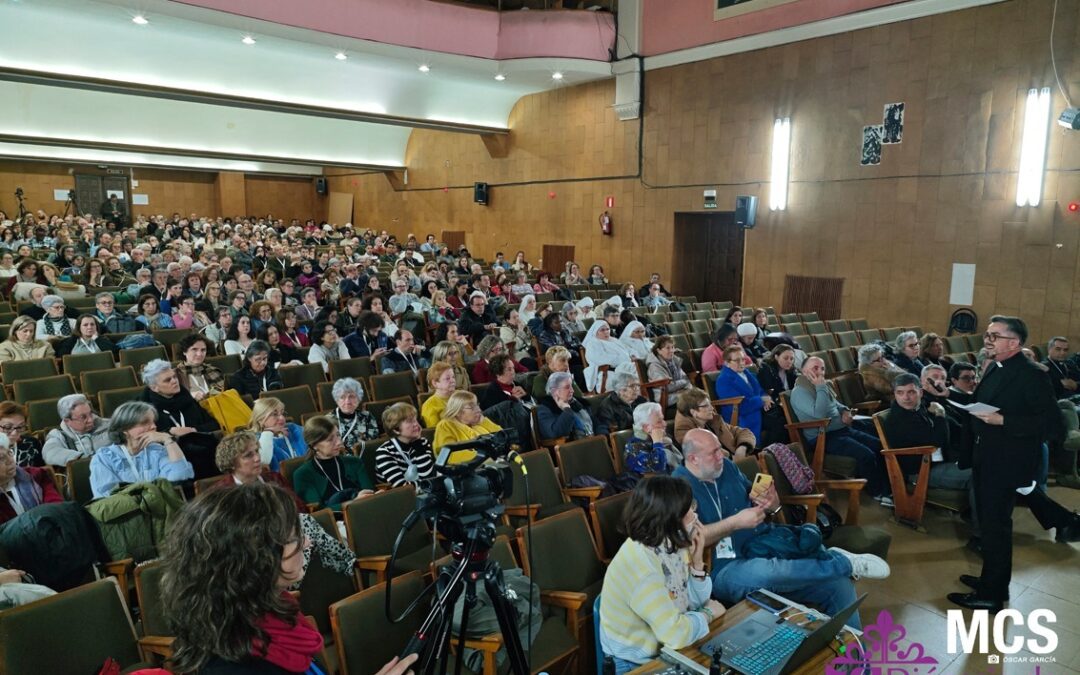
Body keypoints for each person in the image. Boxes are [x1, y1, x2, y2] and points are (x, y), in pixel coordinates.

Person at [160, 482, 419, 674]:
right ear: (256, 559)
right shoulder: (234, 666)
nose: (306, 543)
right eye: (295, 537)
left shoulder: (268, 612)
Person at [673, 429, 889, 630]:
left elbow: (768, 505)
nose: (722, 455)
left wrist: (771, 501)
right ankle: (841, 561)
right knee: (773, 571)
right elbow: (688, 540)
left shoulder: (727, 468)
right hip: (725, 567)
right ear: (693, 459)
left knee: (839, 586)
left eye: (721, 449)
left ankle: (854, 662)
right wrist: (734, 523)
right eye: (714, 453)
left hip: (764, 544)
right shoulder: (678, 487)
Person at [947, 316, 1073, 612]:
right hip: (985, 458)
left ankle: (992, 595)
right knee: (990, 527)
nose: (986, 340)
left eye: (994, 335)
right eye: (987, 334)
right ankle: (991, 581)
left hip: (1005, 463)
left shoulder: (1032, 374)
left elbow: (1054, 426)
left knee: (996, 527)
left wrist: (1005, 420)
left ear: (1013, 343)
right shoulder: (995, 366)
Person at [599, 475, 725, 673]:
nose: (694, 514)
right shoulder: (641, 567)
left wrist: (697, 562)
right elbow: (675, 635)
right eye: (688, 510)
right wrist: (708, 614)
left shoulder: (669, 543)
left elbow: (693, 602)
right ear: (669, 519)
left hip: (669, 648)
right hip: (636, 662)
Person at [790, 356, 891, 503]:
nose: (820, 371)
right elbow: (819, 414)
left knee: (880, 446)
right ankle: (878, 492)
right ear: (804, 371)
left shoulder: (823, 385)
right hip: (824, 437)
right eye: (815, 368)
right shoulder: (800, 391)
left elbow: (836, 404)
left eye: (822, 368)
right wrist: (820, 387)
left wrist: (845, 411)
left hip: (842, 429)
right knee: (866, 454)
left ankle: (889, 487)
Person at [89, 401, 195, 498]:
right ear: (125, 429)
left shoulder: (157, 450)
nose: (153, 427)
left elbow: (181, 476)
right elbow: (106, 497)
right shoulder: (104, 458)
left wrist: (168, 440)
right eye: (145, 422)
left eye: (153, 422)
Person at [138, 359, 222, 479]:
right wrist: (170, 432)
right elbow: (145, 439)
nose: (175, 381)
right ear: (154, 387)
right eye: (168, 380)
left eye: (174, 377)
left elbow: (214, 425)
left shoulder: (187, 399)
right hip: (171, 458)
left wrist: (193, 430)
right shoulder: (145, 411)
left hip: (203, 451)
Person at [292, 416, 375, 512]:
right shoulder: (303, 474)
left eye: (338, 435)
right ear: (314, 445)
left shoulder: (354, 462)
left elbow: (369, 493)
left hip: (366, 512)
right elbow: (319, 511)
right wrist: (353, 503)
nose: (339, 442)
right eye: (330, 439)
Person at [673, 388, 756, 459]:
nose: (712, 408)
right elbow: (711, 451)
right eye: (706, 405)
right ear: (693, 412)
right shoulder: (684, 432)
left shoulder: (712, 420)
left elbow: (744, 432)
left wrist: (742, 448)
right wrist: (732, 458)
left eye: (710, 404)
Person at [713, 345, 772, 442]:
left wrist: (766, 399)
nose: (742, 363)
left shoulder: (748, 374)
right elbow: (740, 406)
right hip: (740, 415)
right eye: (737, 360)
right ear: (727, 363)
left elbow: (760, 391)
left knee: (781, 416)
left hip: (758, 409)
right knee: (777, 422)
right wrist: (761, 400)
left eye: (743, 359)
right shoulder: (724, 380)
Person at [0, 436, 63, 526]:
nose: (10, 461)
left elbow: (56, 508)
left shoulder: (35, 475)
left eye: (9, 453)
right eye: (1, 458)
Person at [375, 403, 437, 488]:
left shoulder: (423, 442)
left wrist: (419, 445)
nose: (416, 424)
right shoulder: (384, 452)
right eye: (410, 421)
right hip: (398, 499)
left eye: (415, 420)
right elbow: (402, 487)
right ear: (396, 429)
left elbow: (429, 477)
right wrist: (427, 485)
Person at [41, 394, 111, 467]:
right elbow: (50, 453)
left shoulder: (109, 426)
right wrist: (83, 459)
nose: (90, 420)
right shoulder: (59, 435)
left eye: (90, 414)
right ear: (67, 421)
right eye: (83, 417)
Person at [433, 391, 503, 464]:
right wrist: (484, 457)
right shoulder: (446, 425)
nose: (479, 410)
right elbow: (448, 455)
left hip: (494, 463)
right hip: (467, 470)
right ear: (458, 411)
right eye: (472, 408)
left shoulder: (479, 422)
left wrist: (485, 422)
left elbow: (503, 437)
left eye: (477, 405)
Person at [250, 397, 307, 473]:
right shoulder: (255, 440)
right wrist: (268, 433)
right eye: (274, 414)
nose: (282, 418)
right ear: (260, 420)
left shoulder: (293, 429)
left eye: (282, 413)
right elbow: (263, 462)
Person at [623, 402, 682, 475]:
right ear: (646, 427)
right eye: (659, 422)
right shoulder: (634, 447)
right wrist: (658, 443)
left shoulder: (664, 439)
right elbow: (658, 468)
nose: (665, 424)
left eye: (663, 419)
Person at [535, 371, 594, 442]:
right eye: (567, 387)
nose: (572, 390)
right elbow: (554, 433)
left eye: (571, 386)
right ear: (554, 391)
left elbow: (596, 422)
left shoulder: (578, 403)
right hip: (573, 448)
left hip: (595, 442)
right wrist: (567, 410)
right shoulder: (545, 409)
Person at [329, 378, 381, 450]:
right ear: (337, 400)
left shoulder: (367, 417)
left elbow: (372, 445)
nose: (347, 402)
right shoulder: (327, 420)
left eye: (352, 397)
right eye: (342, 397)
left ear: (359, 398)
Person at [591, 370, 648, 437]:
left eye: (638, 385)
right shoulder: (607, 407)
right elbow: (604, 432)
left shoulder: (641, 400)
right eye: (632, 386)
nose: (637, 389)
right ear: (621, 389)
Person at [583, 320, 632, 394]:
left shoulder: (614, 340)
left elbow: (627, 352)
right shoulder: (592, 343)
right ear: (596, 332)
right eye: (602, 330)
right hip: (608, 371)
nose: (606, 332)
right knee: (636, 371)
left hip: (623, 366)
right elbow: (600, 359)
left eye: (607, 329)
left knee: (638, 368)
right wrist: (620, 358)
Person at [174, 334, 226, 402]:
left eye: (203, 350)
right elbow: (171, 401)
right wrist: (191, 396)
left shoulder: (213, 371)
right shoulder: (175, 375)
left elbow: (225, 392)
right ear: (184, 352)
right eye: (194, 349)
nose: (199, 354)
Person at [645, 336, 692, 406]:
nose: (672, 351)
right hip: (665, 397)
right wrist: (683, 384)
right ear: (659, 351)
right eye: (668, 348)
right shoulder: (654, 366)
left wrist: (686, 388)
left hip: (678, 393)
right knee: (694, 399)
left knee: (699, 396)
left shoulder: (674, 361)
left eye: (672, 347)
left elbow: (685, 378)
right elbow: (668, 386)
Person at [0, 402, 44, 468]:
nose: (14, 433)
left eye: (20, 427)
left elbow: (41, 475)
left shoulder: (32, 444)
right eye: (8, 427)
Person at [421, 362, 459, 429]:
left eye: (453, 377)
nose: (453, 380)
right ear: (435, 383)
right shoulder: (429, 405)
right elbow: (436, 431)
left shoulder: (461, 395)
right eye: (447, 378)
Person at [1043, 336, 1080, 400]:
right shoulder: (1044, 366)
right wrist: (1060, 384)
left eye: (1065, 350)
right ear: (1049, 349)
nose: (1062, 353)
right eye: (1058, 349)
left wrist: (1076, 385)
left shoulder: (1069, 363)